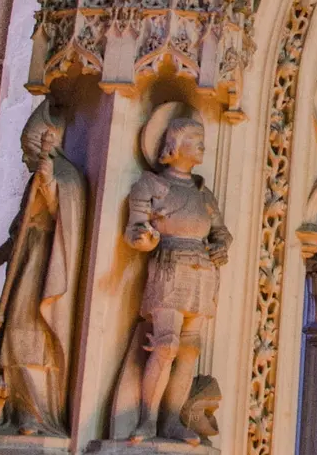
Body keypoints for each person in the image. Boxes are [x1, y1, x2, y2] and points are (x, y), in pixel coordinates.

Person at [118, 116, 232, 442]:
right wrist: (144, 237)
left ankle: (171, 422)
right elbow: (135, 228)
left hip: (203, 271)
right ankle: (146, 421)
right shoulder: (151, 185)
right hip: (170, 264)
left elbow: (221, 233)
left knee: (189, 350)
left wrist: (221, 247)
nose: (202, 145)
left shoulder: (203, 193)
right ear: (175, 145)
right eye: (195, 138)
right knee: (165, 345)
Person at [0, 103, 85, 435]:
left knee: (33, 336)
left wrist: (50, 185)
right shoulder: (33, 181)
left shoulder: (64, 177)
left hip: (47, 267)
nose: (25, 159)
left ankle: (36, 414)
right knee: (13, 338)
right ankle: (15, 407)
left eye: (29, 151)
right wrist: (0, 254)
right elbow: (21, 228)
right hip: (27, 263)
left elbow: (65, 213)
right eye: (25, 152)